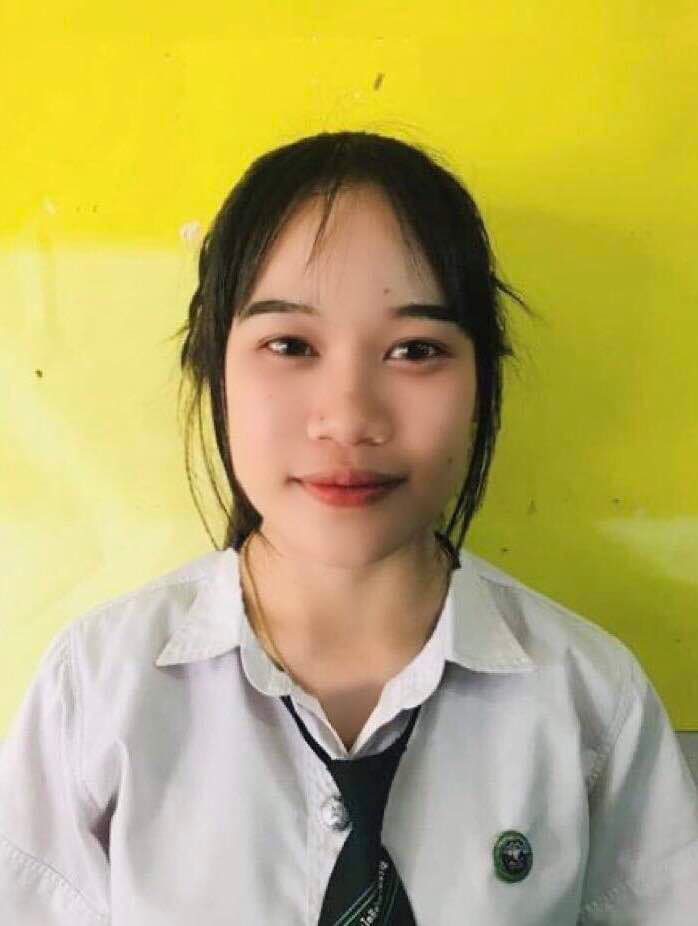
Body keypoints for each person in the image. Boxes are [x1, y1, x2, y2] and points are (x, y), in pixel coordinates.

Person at [1, 130, 696, 925]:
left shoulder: (592, 702)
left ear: (481, 381)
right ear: (214, 367)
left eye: (415, 349)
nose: (349, 418)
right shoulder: (96, 692)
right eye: (290, 344)